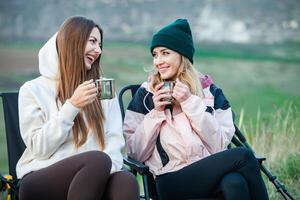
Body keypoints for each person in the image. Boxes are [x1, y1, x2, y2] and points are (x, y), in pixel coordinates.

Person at [123, 19, 269, 200]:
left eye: (165, 53)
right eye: (155, 54)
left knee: (234, 183)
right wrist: (157, 113)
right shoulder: (145, 95)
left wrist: (189, 102)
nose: (158, 61)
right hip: (170, 180)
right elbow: (135, 153)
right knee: (244, 157)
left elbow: (219, 146)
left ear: (182, 55)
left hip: (209, 174)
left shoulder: (211, 92)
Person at [16, 16, 139, 200]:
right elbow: (40, 149)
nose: (98, 50)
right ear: (73, 42)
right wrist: (72, 106)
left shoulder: (104, 91)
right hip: (41, 176)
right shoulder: (33, 89)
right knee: (97, 160)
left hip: (96, 173)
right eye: (92, 42)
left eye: (100, 44)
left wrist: (105, 172)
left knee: (126, 181)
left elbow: (114, 140)